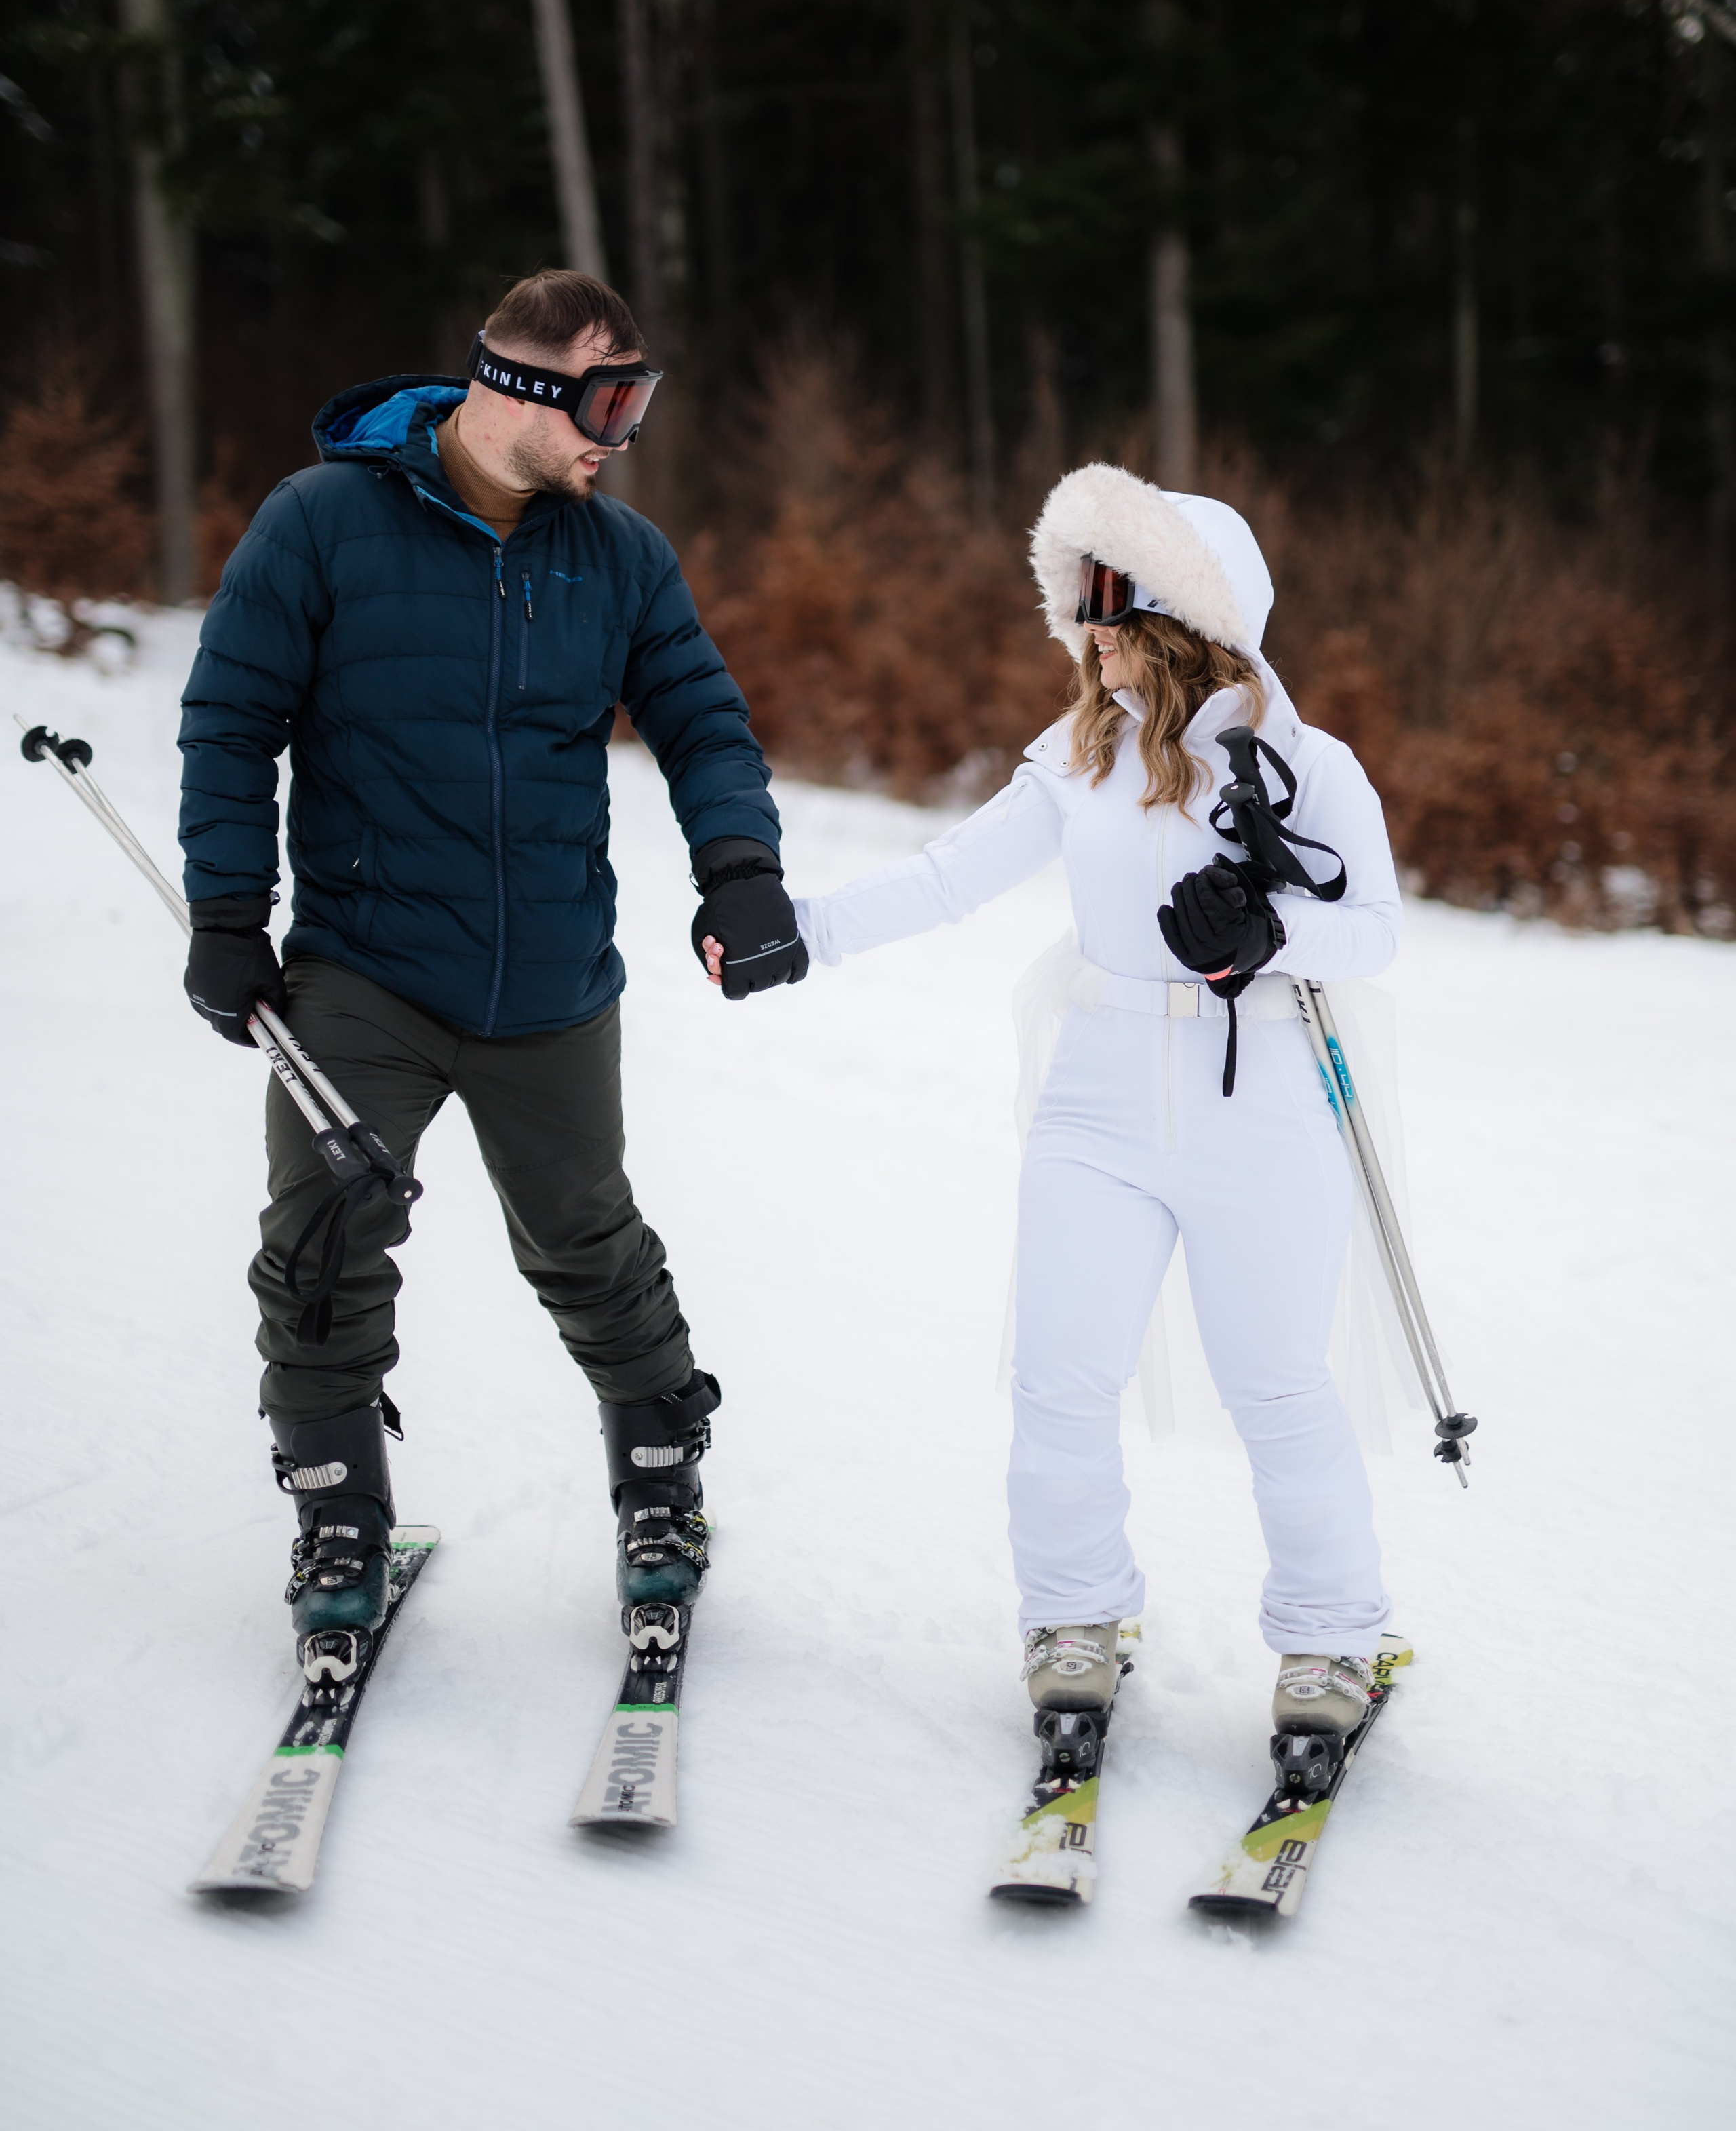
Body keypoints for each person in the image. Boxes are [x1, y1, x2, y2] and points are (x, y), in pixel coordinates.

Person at [179, 267, 806, 1682]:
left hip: (549, 982)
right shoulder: (322, 524)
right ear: (517, 387)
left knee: (586, 1244)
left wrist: (740, 868)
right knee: (326, 1239)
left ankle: (658, 1482)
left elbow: (702, 722)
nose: (621, 432)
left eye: (638, 400)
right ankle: (338, 1519)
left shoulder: (620, 554)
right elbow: (231, 721)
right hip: (363, 967)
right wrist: (229, 909)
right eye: (605, 400)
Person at [730, 463, 1402, 1757]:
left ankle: (1332, 1635)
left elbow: (1375, 936)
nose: (1086, 634)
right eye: (1079, 606)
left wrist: (1275, 928)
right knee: (1060, 1381)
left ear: (1183, 616)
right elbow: (945, 879)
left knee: (1274, 1386)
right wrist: (797, 936)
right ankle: (1075, 1618)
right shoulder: (1076, 756)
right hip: (1096, 1099)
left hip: (1256, 1100)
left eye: (1108, 606)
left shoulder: (1307, 770)